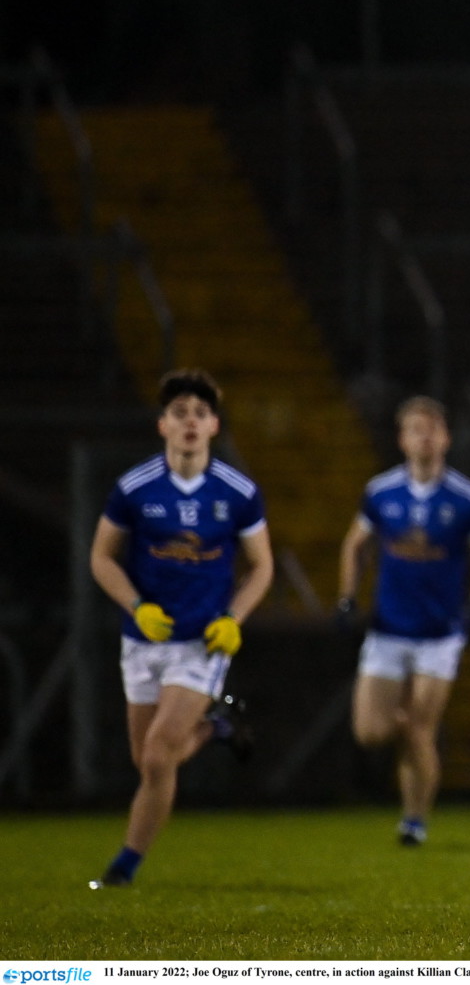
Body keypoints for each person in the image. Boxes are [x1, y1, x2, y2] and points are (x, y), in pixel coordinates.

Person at [86, 369, 272, 888]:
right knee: (146, 760)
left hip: (200, 642)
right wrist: (137, 605)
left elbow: (262, 567)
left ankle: (124, 867)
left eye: (199, 414)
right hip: (142, 640)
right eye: (180, 414)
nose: (190, 422)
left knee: (159, 752)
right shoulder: (134, 488)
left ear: (213, 426)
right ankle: (218, 728)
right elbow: (101, 558)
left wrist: (233, 619)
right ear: (162, 425)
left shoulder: (237, 492)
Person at [336, 396, 470, 847]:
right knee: (371, 732)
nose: (424, 437)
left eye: (432, 429)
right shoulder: (381, 491)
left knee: (419, 727)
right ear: (402, 439)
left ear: (445, 438)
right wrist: (347, 597)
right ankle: (412, 805)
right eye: (415, 429)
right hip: (389, 628)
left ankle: (414, 819)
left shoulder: (466, 497)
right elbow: (355, 545)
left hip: (440, 633)